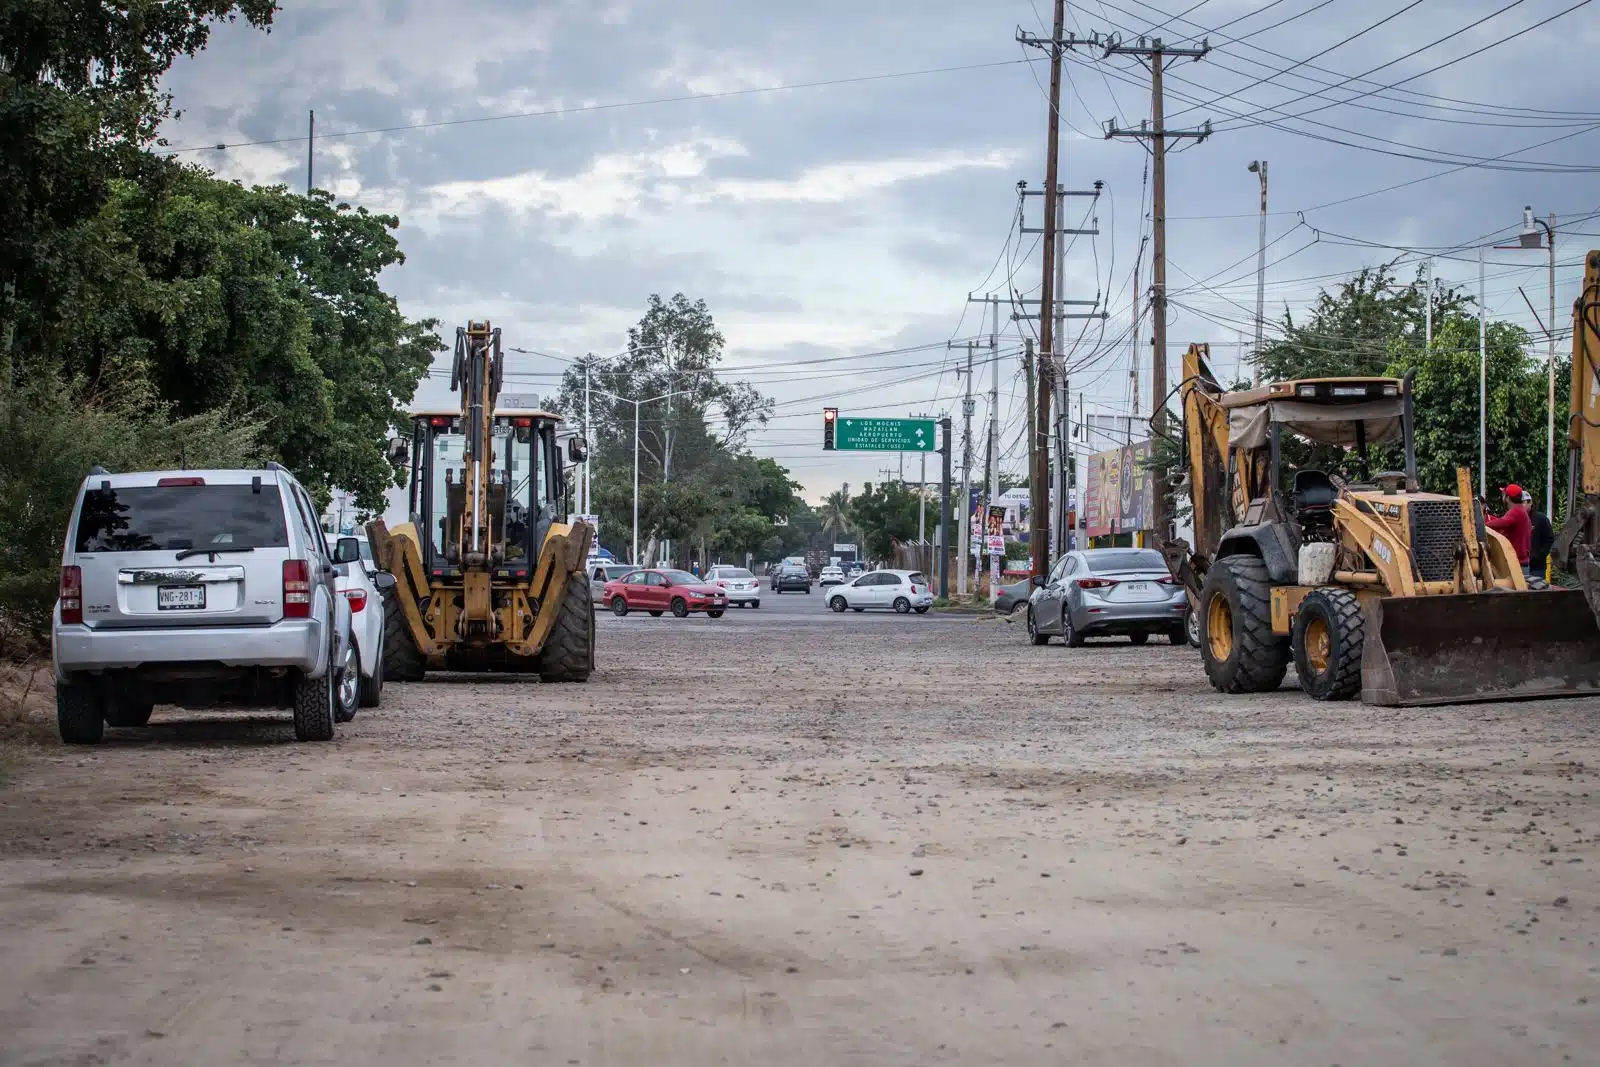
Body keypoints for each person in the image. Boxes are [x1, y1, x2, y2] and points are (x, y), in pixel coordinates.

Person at [1485, 483, 1532, 573]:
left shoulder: (1516, 512)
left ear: (1507, 498)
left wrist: (1482, 525)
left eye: (1504, 494)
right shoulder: (1521, 511)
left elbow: (1501, 523)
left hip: (1517, 564)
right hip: (1520, 562)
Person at [1523, 490, 1555, 579]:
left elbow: (1550, 538)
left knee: (1537, 590)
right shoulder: (1516, 519)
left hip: (1537, 567)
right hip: (1520, 565)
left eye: (1523, 502)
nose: (1521, 506)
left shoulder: (1541, 519)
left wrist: (1539, 555)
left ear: (1530, 503)